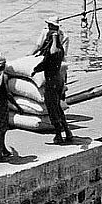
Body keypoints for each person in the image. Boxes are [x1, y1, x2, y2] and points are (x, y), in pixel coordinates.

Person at [33, 14, 74, 144]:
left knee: (52, 108)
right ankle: (67, 132)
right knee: (58, 107)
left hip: (52, 81)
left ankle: (58, 135)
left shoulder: (54, 50)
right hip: (59, 80)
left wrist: (34, 70)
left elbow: (48, 59)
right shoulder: (61, 50)